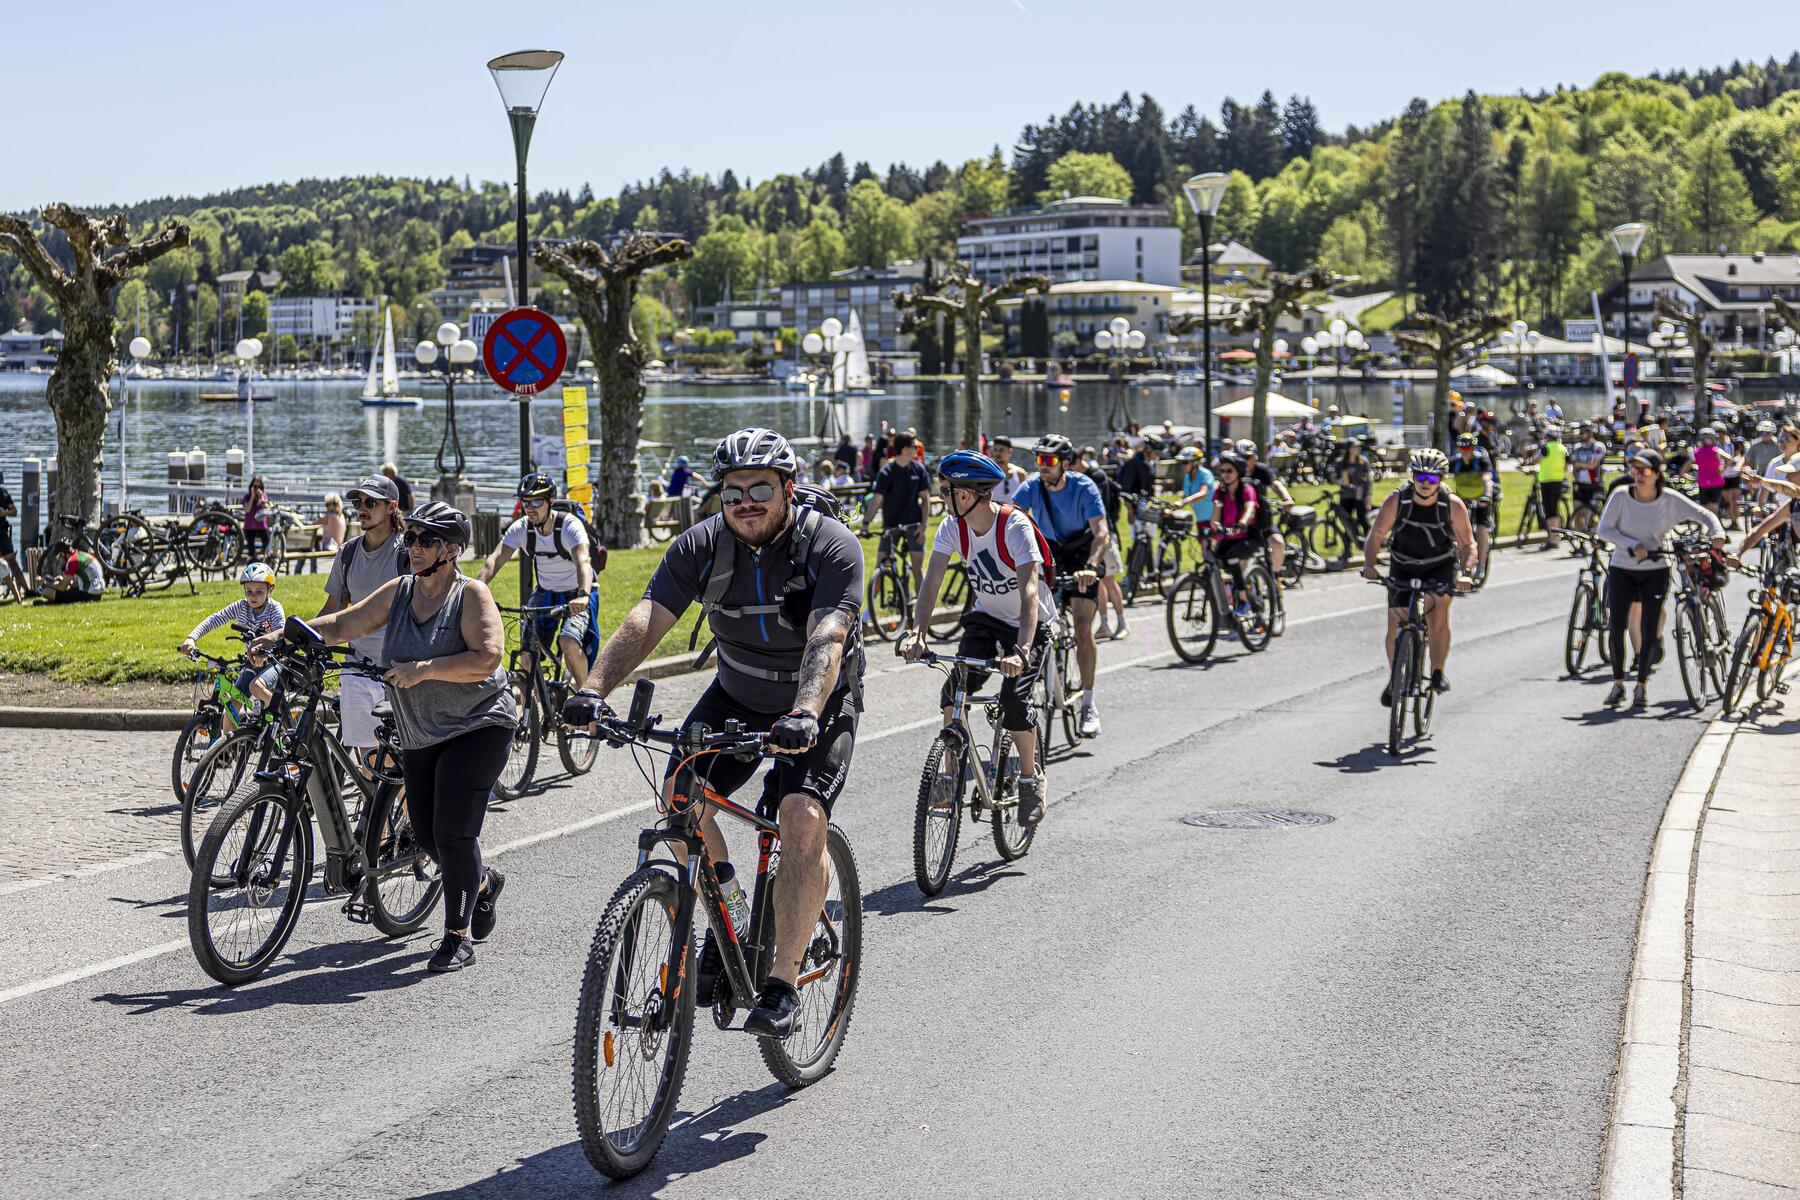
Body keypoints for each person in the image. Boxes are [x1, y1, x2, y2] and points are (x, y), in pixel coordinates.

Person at [566, 427, 863, 1038]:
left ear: (788, 488)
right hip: (737, 693)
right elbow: (646, 618)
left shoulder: (830, 546)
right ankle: (725, 912)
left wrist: (805, 710)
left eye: (760, 488)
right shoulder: (701, 545)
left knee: (800, 817)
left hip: (816, 701)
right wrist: (593, 690)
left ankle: (781, 984)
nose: (746, 502)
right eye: (732, 492)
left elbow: (827, 636)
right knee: (680, 795)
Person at [264, 503, 516, 972]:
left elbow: (487, 658)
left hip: (479, 725)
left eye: (425, 540)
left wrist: (426, 670)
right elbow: (343, 624)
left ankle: (457, 937)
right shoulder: (400, 592)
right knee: (424, 833)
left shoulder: (471, 595)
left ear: (451, 549)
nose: (413, 547)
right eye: (412, 538)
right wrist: (285, 634)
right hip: (422, 730)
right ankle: (482, 883)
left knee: (453, 832)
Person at [900, 451, 1052, 825]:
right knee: (954, 692)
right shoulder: (953, 527)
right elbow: (931, 584)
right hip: (986, 619)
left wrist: (1022, 650)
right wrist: (917, 633)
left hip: (1026, 626)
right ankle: (951, 775)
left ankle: (1031, 779)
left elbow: (1030, 593)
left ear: (965, 495)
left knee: (1014, 702)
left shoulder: (1015, 527)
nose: (941, 497)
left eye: (945, 491)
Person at [1595, 450, 1728, 709]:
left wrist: (1717, 533)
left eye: (1644, 471)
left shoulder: (1669, 500)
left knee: (1648, 628)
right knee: (1616, 624)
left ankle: (1641, 685)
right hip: (1623, 567)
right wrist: (1631, 544)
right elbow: (1604, 529)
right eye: (1634, 470)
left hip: (1655, 569)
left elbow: (1706, 515)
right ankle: (1618, 683)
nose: (1638, 476)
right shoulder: (1621, 496)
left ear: (1657, 474)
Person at [1361, 448, 1476, 701]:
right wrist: (1370, 564)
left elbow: (1468, 544)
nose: (1425, 483)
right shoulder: (1397, 500)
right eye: (1420, 477)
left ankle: (1437, 672)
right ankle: (1395, 679)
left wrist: (1466, 573)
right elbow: (1376, 535)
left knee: (1438, 614)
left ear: (1442, 480)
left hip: (1439, 564)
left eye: (1432, 479)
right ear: (1412, 477)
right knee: (1395, 622)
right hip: (1403, 563)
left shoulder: (1452, 505)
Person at [1016, 435, 1110, 738]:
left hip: (1083, 552)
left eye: (1049, 461)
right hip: (1051, 551)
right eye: (1039, 460)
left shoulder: (1084, 487)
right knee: (1032, 618)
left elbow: (1102, 533)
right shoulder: (1031, 486)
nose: (1042, 467)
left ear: (1065, 463)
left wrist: (1092, 567)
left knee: (1083, 623)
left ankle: (1088, 703)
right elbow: (1008, 518)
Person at [478, 472, 598, 687]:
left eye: (536, 501)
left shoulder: (569, 526)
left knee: (568, 641)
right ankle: (528, 716)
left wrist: (583, 595)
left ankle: (585, 697)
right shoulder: (522, 528)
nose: (529, 508)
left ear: (551, 501)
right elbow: (494, 561)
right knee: (526, 652)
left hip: (577, 592)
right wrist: (475, 590)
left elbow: (583, 563)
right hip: (545, 591)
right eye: (524, 502)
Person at [322, 474, 411, 765]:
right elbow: (333, 609)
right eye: (358, 502)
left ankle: (410, 812)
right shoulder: (347, 553)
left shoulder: (408, 553)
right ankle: (377, 811)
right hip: (357, 669)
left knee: (397, 767)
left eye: (370, 502)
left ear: (391, 506)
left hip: (398, 671)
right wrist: (296, 636)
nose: (361, 508)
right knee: (369, 763)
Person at [181, 562, 286, 716]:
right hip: (252, 662)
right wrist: (191, 638)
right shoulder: (241, 607)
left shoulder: (274, 609)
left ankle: (284, 718)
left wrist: (265, 653)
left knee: (255, 687)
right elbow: (215, 619)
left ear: (270, 589)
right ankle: (230, 741)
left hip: (275, 663)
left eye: (259, 591)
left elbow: (281, 634)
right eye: (248, 591)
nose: (252, 596)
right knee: (230, 710)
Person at [862, 431, 932, 595]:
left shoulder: (918, 469)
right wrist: (865, 524)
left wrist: (923, 527)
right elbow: (876, 500)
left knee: (917, 569)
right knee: (880, 565)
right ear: (906, 449)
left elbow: (925, 500)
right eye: (914, 445)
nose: (917, 448)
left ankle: (921, 610)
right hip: (891, 525)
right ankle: (869, 613)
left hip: (914, 525)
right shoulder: (887, 471)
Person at [1078, 446, 1128, 638]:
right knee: (1097, 581)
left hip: (1104, 536)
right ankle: (1105, 624)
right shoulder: (1078, 479)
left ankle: (1122, 622)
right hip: (1089, 538)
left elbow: (1101, 510)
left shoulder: (1096, 477)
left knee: (1108, 580)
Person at [1209, 453, 1261, 617]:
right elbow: (1215, 517)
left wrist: (1241, 524)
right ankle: (1227, 599)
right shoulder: (1220, 493)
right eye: (1222, 471)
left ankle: (1244, 602)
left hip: (1248, 537)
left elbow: (1250, 509)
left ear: (1238, 472)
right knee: (1213, 560)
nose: (1225, 474)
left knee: (1232, 558)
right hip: (1229, 538)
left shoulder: (1247, 489)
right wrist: (1216, 528)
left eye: (1229, 471)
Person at [1238, 438, 1292, 586]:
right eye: (1242, 458)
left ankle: (1275, 576)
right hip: (1242, 519)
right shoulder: (1235, 473)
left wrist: (1286, 498)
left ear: (1255, 457)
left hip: (1262, 517)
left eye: (1249, 457)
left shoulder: (1262, 470)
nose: (1246, 461)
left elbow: (1275, 484)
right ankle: (1242, 587)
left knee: (1278, 543)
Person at [1448, 434, 1495, 572]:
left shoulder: (1480, 460)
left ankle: (1481, 564)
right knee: (1458, 529)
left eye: (1468, 447)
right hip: (1462, 501)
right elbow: (1442, 478)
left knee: (1481, 529)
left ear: (1473, 448)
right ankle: (1462, 558)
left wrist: (1486, 496)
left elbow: (1487, 478)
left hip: (1481, 500)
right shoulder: (1455, 462)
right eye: (1461, 448)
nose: (1465, 451)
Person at [1567, 422, 1608, 535]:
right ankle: (1580, 542)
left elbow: (1593, 465)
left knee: (1589, 516)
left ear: (1590, 433)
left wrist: (1580, 464)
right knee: (1577, 514)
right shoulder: (1577, 447)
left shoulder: (1598, 446)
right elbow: (1574, 465)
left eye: (1582, 432)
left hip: (1593, 485)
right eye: (1579, 432)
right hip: (1579, 485)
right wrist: (1583, 464)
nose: (1580, 434)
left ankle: (1595, 537)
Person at [36, 540, 105, 603]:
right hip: (97, 593)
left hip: (89, 595)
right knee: (65, 588)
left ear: (63, 554)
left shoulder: (71, 562)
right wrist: (63, 580)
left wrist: (45, 583)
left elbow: (62, 587)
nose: (59, 561)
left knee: (46, 592)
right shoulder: (80, 555)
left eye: (58, 557)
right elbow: (77, 583)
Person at [1535, 425, 1567, 549]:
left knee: (1549, 512)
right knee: (1556, 509)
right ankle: (1556, 536)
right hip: (1558, 480)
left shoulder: (1545, 448)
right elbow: (1566, 467)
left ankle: (1551, 539)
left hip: (1546, 481)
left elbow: (1536, 460)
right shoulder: (1563, 448)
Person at [1337, 438, 1374, 544]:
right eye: (1355, 447)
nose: (1358, 449)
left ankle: (1370, 544)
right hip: (1345, 495)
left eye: (1359, 447)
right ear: (1349, 449)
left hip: (1359, 494)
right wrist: (1340, 481)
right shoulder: (1341, 463)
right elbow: (1333, 478)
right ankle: (1347, 550)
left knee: (1363, 520)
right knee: (1347, 523)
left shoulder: (1363, 461)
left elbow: (1369, 479)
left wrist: (1369, 495)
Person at [1689, 427, 1728, 523]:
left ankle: (1705, 527)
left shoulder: (1696, 452)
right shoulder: (1716, 451)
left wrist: (1683, 474)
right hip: (1716, 481)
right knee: (1714, 505)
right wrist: (1722, 469)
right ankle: (1715, 526)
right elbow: (1729, 458)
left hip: (1703, 482)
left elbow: (1687, 465)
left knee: (1704, 507)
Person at [0, 475, 23, 603]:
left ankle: (25, 589)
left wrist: (4, 513)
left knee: (11, 561)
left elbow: (14, 511)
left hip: (2, 532)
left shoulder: (4, 494)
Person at [989, 435, 1028, 504]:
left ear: (1010, 451)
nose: (997, 453)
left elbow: (1025, 499)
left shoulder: (1019, 474)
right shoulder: (988, 473)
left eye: (1001, 450)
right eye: (995, 450)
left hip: (1014, 513)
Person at [241, 475, 270, 562]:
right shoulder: (247, 496)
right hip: (249, 526)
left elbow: (267, 509)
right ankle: (250, 563)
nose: (257, 488)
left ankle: (262, 560)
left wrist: (261, 498)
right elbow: (247, 509)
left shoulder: (264, 496)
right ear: (251, 486)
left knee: (267, 543)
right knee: (251, 550)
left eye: (259, 487)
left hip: (262, 526)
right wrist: (252, 496)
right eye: (255, 486)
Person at [317, 493, 348, 572]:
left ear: (334, 504)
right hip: (339, 546)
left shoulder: (329, 516)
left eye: (327, 504)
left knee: (309, 545)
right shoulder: (342, 516)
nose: (326, 507)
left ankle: (309, 569)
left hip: (329, 546)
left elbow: (313, 524)